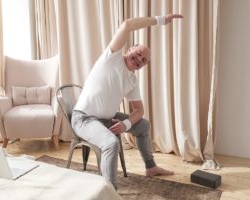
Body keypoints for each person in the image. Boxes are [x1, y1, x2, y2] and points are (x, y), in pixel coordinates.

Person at [71, 14, 183, 190]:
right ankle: (111, 192)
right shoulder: (112, 56)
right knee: (111, 143)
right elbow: (127, 25)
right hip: (84, 119)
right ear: (130, 49)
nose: (139, 59)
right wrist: (160, 20)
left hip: (107, 119)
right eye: (138, 54)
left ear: (143, 66)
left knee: (143, 125)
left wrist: (126, 123)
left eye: (143, 60)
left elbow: (139, 110)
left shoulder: (132, 80)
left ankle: (151, 167)